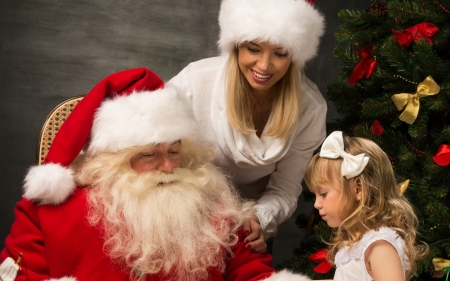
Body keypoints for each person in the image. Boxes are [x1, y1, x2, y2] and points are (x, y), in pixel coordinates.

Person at [0, 69, 312, 281]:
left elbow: (250, 272)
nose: (167, 166)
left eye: (174, 151)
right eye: (149, 154)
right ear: (114, 160)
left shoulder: (212, 203)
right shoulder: (49, 212)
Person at [167, 0, 327, 250]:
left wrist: (259, 218)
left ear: (294, 55)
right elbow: (152, 154)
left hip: (249, 231)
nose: (264, 65)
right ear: (237, 46)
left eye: (280, 53)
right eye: (253, 49)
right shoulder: (193, 82)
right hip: (181, 216)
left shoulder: (310, 108)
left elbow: (285, 190)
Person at [304, 131, 428, 281]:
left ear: (358, 189)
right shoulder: (360, 245)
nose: (316, 204)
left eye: (323, 194)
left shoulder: (380, 249)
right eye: (315, 195)